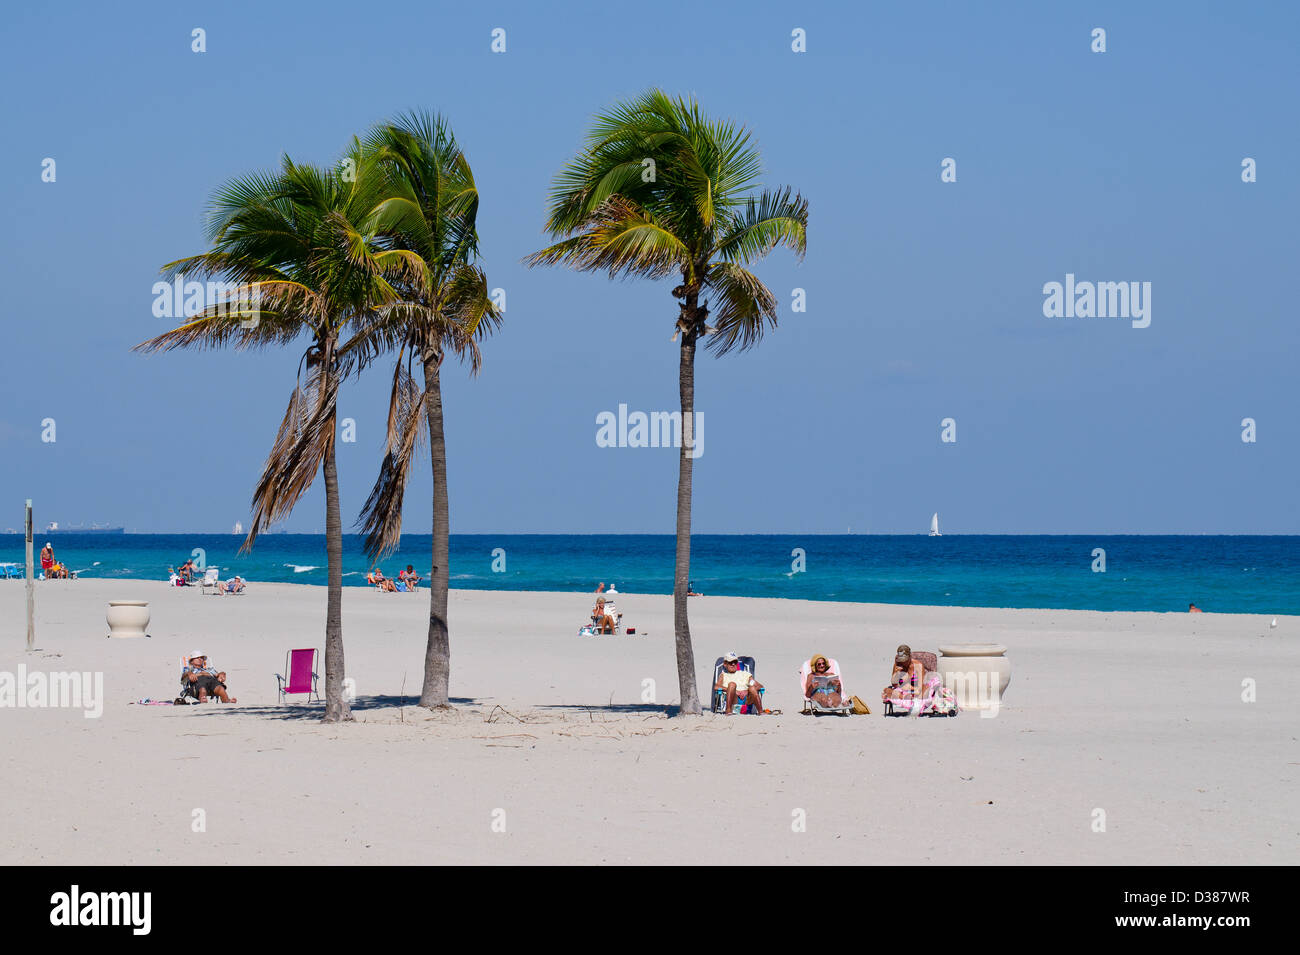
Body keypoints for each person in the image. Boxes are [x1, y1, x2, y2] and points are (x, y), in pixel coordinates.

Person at [882, 644, 955, 715]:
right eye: (901, 660)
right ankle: (905, 697)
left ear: (910, 657)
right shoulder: (898, 663)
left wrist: (908, 687)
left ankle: (906, 698)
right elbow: (894, 684)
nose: (903, 662)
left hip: (917, 691)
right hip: (904, 691)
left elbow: (919, 689)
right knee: (886, 691)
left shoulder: (918, 666)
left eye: (905, 660)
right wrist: (896, 673)